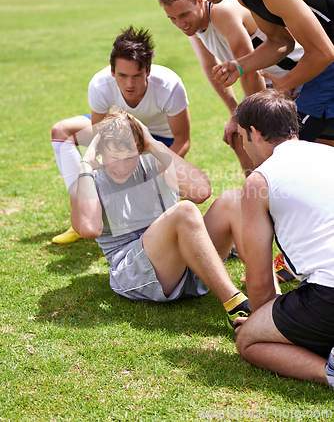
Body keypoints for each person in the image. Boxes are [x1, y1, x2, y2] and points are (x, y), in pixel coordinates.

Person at [69, 108, 251, 327]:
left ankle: (267, 293)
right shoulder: (89, 180)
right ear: (100, 151)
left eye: (129, 157)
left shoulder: (153, 161)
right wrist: (85, 166)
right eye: (113, 158)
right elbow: (88, 228)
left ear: (139, 149)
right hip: (137, 273)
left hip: (188, 263)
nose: (121, 167)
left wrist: (154, 144)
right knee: (185, 211)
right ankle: (236, 304)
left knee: (232, 200)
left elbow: (201, 192)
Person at [206, 90, 334, 387]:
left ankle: (327, 372)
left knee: (248, 341)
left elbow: (261, 282)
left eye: (241, 137)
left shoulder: (260, 181)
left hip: (328, 295)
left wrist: (261, 323)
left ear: (254, 133)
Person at [170, 0, 334, 143]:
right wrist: (239, 66)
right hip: (325, 64)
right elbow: (280, 42)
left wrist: (284, 84)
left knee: (284, 145)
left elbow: (323, 52)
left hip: (327, 62)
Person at [51, 26, 191, 244]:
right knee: (61, 131)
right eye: (123, 75)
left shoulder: (169, 85)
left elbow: (183, 140)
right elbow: (101, 137)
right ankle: (83, 208)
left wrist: (159, 171)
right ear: (112, 71)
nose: (129, 84)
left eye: (137, 75)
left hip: (157, 140)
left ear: (148, 70)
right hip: (118, 133)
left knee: (169, 186)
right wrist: (98, 170)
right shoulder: (100, 83)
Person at [158, 0, 304, 174]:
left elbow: (250, 73)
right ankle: (257, 195)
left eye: (183, 15)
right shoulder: (193, 26)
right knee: (237, 134)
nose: (180, 24)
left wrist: (246, 120)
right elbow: (211, 68)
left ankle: (272, 188)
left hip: (296, 72)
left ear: (199, 1)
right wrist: (234, 112)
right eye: (172, 18)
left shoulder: (222, 13)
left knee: (257, 135)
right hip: (268, 80)